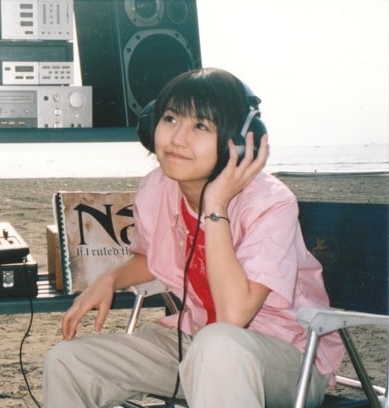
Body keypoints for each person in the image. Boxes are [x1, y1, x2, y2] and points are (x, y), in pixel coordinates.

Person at [42, 67, 345, 407]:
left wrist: (215, 206)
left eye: (200, 126)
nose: (177, 139)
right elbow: (151, 257)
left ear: (238, 141)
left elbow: (233, 316)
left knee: (219, 345)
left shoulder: (270, 203)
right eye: (170, 119)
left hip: (286, 358)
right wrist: (109, 279)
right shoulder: (157, 188)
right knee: (68, 362)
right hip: (195, 341)